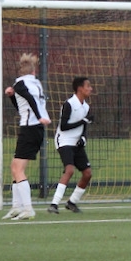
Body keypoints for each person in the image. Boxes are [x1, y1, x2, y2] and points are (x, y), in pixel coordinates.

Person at [3, 53, 51, 221]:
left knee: (18, 169)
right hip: (35, 128)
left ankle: (28, 209)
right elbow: (23, 106)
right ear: (34, 71)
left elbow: (29, 100)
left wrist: (38, 116)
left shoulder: (20, 83)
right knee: (15, 167)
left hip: (30, 128)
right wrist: (12, 96)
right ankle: (17, 207)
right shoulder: (36, 83)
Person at [48, 77, 94, 214]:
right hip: (64, 141)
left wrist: (83, 138)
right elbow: (63, 126)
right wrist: (83, 121)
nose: (90, 89)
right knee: (69, 170)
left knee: (87, 174)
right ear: (80, 88)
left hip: (76, 143)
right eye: (88, 86)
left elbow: (84, 126)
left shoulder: (86, 107)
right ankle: (54, 204)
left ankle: (72, 202)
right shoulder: (69, 104)